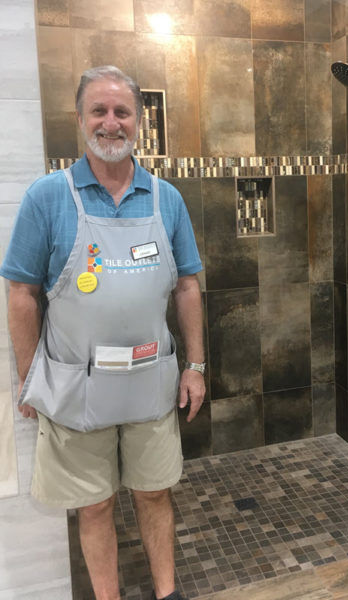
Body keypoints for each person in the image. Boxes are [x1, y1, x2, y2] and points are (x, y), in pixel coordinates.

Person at [0, 65, 206, 600]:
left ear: (139, 122)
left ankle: (167, 594)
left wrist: (196, 366)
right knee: (93, 505)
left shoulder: (167, 200)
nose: (111, 123)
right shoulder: (49, 197)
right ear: (80, 119)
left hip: (151, 385)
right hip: (77, 389)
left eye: (122, 112)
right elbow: (21, 293)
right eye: (100, 111)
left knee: (155, 494)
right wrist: (29, 377)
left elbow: (187, 287)